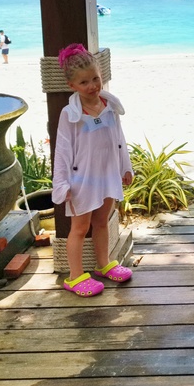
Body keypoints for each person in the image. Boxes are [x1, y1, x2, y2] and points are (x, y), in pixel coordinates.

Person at [52, 44, 134, 297]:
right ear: (72, 85)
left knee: (101, 221)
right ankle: (75, 276)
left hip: (107, 175)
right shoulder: (70, 115)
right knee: (79, 227)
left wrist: (125, 167)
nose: (92, 86)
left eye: (95, 79)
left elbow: (119, 139)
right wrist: (62, 184)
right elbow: (62, 150)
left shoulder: (110, 107)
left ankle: (103, 264)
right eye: (84, 82)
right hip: (82, 180)